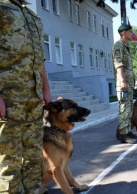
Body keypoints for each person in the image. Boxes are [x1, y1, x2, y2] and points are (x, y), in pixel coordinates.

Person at [0, 0, 52, 193]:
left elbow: (39, 60)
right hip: (9, 100)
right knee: (9, 165)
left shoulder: (33, 17)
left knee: (33, 160)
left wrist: (46, 89)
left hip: (33, 101)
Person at [112, 23, 137, 144]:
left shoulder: (126, 46)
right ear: (123, 33)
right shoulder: (118, 45)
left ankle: (127, 131)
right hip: (123, 83)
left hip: (128, 83)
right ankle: (123, 134)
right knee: (124, 108)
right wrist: (123, 81)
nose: (132, 34)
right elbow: (119, 64)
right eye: (130, 32)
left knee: (128, 109)